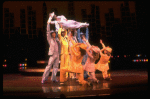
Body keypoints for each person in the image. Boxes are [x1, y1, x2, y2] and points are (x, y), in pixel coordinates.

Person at [41, 14, 61, 84]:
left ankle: (54, 78)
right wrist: (49, 19)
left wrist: (56, 19)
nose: (53, 34)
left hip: (57, 54)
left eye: (54, 33)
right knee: (49, 66)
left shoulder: (57, 39)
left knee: (56, 67)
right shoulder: (50, 39)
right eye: (52, 33)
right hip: (52, 55)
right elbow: (48, 30)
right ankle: (44, 78)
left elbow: (59, 30)